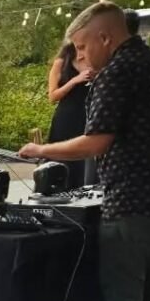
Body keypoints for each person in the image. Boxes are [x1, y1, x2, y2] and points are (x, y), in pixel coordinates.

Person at [20, 0, 150, 301]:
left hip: (131, 198)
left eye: (82, 49)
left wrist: (41, 151)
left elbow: (96, 142)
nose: (80, 58)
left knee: (123, 283)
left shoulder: (116, 73)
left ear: (105, 37)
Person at [47, 40, 95, 191]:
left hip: (88, 116)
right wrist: (75, 80)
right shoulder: (61, 62)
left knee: (83, 162)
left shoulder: (94, 59)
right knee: (62, 159)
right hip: (66, 117)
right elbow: (52, 96)